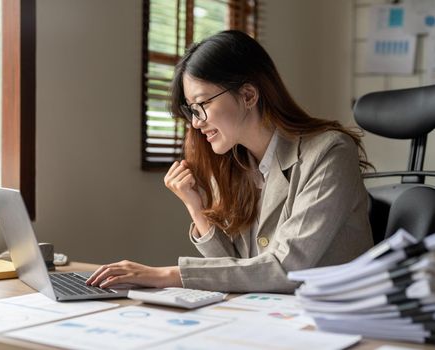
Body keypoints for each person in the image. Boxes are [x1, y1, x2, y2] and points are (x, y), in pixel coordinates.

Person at [86, 30, 374, 293]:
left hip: (335, 321)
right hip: (269, 317)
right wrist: (196, 208)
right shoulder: (237, 163)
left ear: (248, 95)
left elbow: (287, 267)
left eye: (202, 105)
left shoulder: (330, 152)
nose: (197, 123)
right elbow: (238, 272)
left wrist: (165, 275)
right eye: (192, 111)